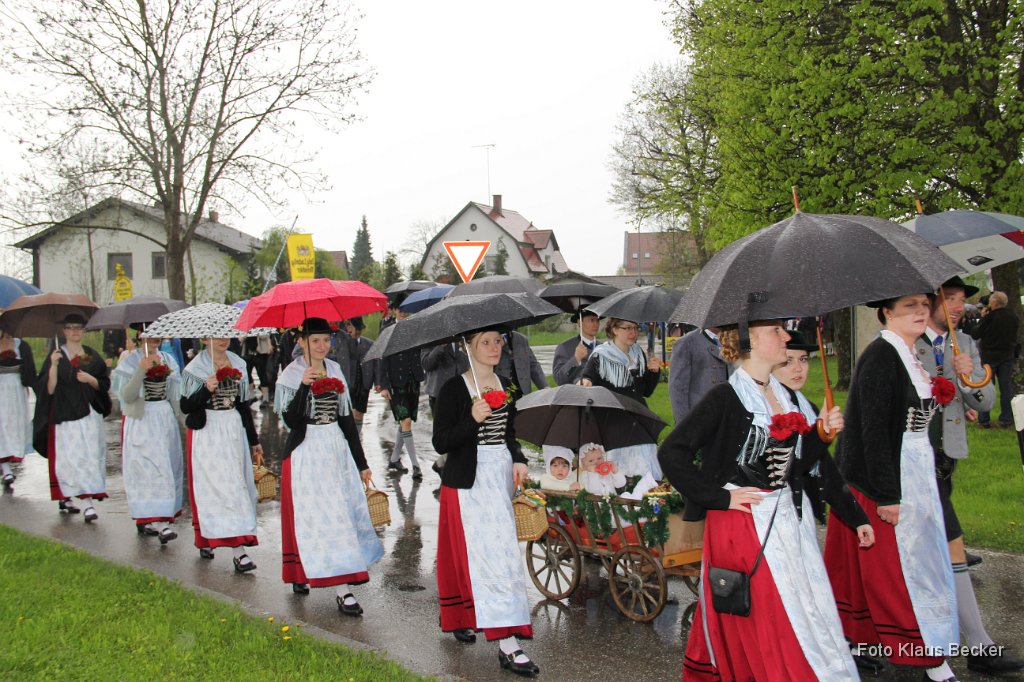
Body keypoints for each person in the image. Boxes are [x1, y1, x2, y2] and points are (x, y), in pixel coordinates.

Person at [658, 320, 870, 682]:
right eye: (776, 331)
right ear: (750, 340)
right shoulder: (726, 397)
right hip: (742, 523)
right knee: (770, 615)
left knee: (801, 607)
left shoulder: (782, 395)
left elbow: (795, 467)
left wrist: (821, 435)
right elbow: (672, 452)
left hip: (785, 520)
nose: (786, 337)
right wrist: (720, 497)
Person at [824, 294, 960, 682]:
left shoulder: (908, 353)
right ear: (886, 312)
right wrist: (887, 495)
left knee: (893, 566)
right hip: (884, 477)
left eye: (924, 305)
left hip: (914, 470)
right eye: (909, 306)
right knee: (900, 570)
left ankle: (859, 642)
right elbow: (873, 432)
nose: (920, 312)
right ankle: (928, 655)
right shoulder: (881, 356)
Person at [916, 280, 1023, 675]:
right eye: (951, 299)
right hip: (914, 462)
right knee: (947, 545)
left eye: (962, 300)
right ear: (930, 301)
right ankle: (975, 646)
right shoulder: (908, 343)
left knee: (932, 549)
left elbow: (986, 398)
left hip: (945, 459)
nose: (959, 307)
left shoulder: (964, 342)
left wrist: (966, 378)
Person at [432, 326, 538, 677]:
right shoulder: (453, 389)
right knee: (481, 558)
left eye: (498, 341)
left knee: (501, 556)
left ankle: (479, 620)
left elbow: (510, 433)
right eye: (485, 342)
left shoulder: (506, 384)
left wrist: (518, 458)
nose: (494, 347)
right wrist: (472, 420)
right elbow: (441, 442)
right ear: (468, 346)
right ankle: (507, 643)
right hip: (468, 484)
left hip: (500, 478)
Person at [275, 318, 383, 614]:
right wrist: (303, 386)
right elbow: (291, 421)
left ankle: (342, 586)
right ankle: (307, 573)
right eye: (315, 341)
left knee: (338, 515)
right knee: (312, 517)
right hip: (306, 452)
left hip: (335, 450)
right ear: (301, 342)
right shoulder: (291, 374)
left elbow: (346, 419)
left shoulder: (335, 369)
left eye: (326, 340)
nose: (322, 346)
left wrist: (361, 463)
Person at [180, 337, 263, 573]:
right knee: (213, 488)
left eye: (226, 334)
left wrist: (254, 440)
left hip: (233, 429)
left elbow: (243, 405)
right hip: (208, 431)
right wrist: (206, 389)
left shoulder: (238, 363)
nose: (223, 339)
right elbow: (186, 406)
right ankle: (215, 540)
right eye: (217, 335)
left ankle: (238, 548)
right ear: (205, 339)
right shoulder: (195, 369)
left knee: (236, 486)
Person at [33, 314, 112, 521]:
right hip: (67, 415)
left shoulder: (91, 355)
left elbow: (103, 385)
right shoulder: (57, 355)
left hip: (90, 414)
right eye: (70, 327)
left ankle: (87, 500)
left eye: (79, 327)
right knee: (71, 458)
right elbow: (49, 389)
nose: (75, 331)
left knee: (90, 455)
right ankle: (75, 498)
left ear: (84, 331)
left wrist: (90, 379)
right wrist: (54, 365)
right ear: (64, 331)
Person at [113, 332, 183, 543]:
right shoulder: (130, 360)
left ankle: (158, 516)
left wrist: (185, 420)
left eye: (158, 335)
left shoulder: (167, 359)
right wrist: (141, 370)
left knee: (167, 466)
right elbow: (127, 396)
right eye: (149, 335)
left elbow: (175, 393)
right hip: (142, 419)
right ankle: (160, 522)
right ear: (139, 336)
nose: (154, 339)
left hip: (164, 417)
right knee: (149, 468)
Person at [579, 317, 662, 479]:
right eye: (627, 328)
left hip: (638, 417)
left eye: (635, 328)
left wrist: (653, 372)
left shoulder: (638, 353)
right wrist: (586, 381)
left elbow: (646, 391)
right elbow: (588, 376)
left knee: (645, 467)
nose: (633, 332)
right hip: (613, 420)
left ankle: (645, 492)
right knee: (617, 472)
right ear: (615, 330)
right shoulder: (601, 355)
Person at [377, 310, 426, 480]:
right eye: (401, 310)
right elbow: (382, 357)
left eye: (406, 310)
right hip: (396, 383)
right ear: (395, 311)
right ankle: (416, 465)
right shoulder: (388, 330)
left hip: (413, 382)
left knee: (406, 422)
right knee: (405, 421)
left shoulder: (416, 328)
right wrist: (383, 385)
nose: (404, 313)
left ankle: (394, 459)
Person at [970, 290, 1019, 428]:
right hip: (1007, 355)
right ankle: (1006, 419)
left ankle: (984, 419)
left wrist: (982, 317)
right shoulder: (1013, 317)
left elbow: (976, 334)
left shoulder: (990, 317)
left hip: (989, 356)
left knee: (985, 387)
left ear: (994, 303)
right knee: (1006, 389)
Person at [669, 327, 731, 424]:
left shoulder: (733, 340)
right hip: (700, 419)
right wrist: (684, 424)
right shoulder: (687, 342)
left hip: (727, 418)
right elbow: (677, 388)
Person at [0, 330, 35, 487]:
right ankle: (6, 468)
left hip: (16, 390)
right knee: (1, 426)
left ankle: (12, 454)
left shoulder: (21, 345)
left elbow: (29, 371)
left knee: (14, 425)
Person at [551, 311, 600, 386]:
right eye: (591, 320)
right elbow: (559, 379)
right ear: (580, 322)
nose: (595, 324)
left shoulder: (604, 348)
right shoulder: (565, 347)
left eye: (597, 320)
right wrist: (576, 358)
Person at [496, 330, 547, 395]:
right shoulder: (487, 338)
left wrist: (544, 386)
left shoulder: (521, 338)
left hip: (522, 390)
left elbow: (533, 365)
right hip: (500, 389)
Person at [346, 318, 373, 435]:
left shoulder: (369, 343)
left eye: (358, 328)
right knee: (349, 412)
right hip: (349, 382)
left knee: (359, 413)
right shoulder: (344, 342)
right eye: (349, 326)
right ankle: (350, 438)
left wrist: (378, 382)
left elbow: (375, 363)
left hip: (364, 382)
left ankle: (356, 437)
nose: (350, 328)